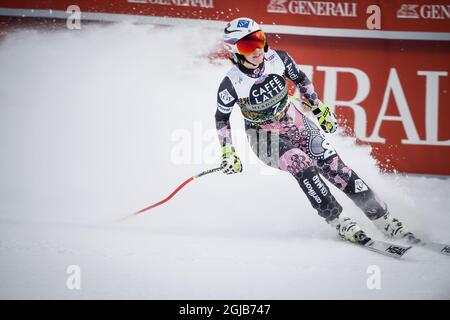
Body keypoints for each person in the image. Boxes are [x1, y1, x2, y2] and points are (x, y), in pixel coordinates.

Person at [215, 17, 412, 243]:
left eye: (259, 39)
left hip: (294, 121)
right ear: (234, 51)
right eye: (248, 45)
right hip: (262, 137)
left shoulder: (278, 59)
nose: (257, 49)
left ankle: (384, 219)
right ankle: (340, 221)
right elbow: (221, 117)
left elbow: (300, 79)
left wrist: (319, 108)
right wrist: (228, 151)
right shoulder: (231, 83)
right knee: (302, 164)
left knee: (335, 166)